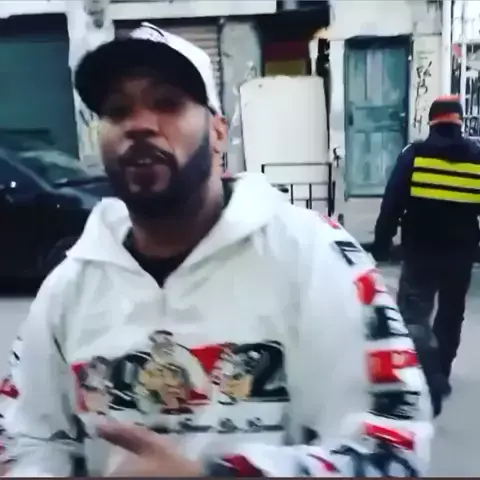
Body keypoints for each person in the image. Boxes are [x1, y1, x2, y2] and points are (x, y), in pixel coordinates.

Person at [0, 22, 432, 477]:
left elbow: (391, 447)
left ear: (218, 132)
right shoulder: (70, 287)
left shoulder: (314, 256)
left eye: (167, 103)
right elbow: (23, 437)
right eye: (117, 110)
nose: (139, 125)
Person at [372, 95, 480, 405]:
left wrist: (381, 244)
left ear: (432, 121)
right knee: (450, 315)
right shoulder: (477, 158)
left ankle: (424, 373)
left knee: (414, 316)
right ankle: (441, 371)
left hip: (420, 253)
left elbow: (392, 203)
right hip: (460, 256)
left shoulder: (414, 155)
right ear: (459, 122)